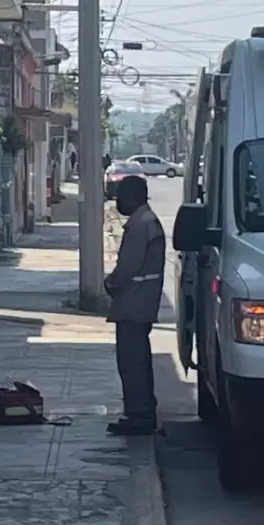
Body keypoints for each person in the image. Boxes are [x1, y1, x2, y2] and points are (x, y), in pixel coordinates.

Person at [103, 175, 165, 436]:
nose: (118, 202)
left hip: (133, 302)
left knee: (131, 362)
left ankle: (139, 415)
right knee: (138, 360)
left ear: (133, 196)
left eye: (121, 196)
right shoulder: (147, 221)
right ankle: (144, 409)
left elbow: (128, 267)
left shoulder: (140, 225)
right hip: (142, 303)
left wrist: (110, 284)